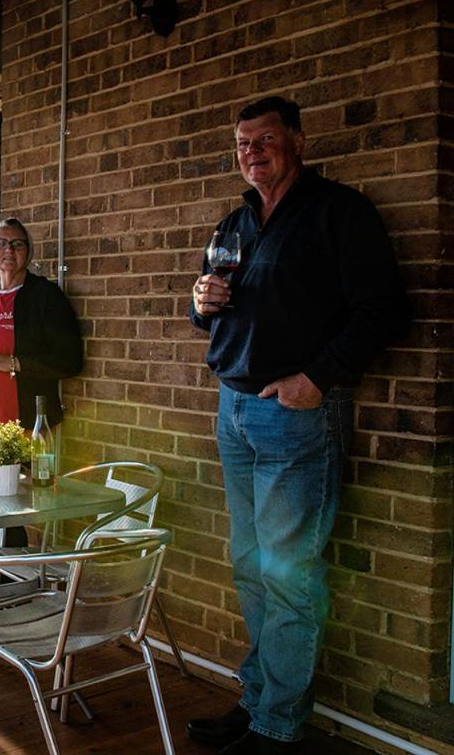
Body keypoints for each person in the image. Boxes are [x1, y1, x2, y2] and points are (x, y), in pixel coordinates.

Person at [187, 96, 409, 755]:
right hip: (234, 410)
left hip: (295, 415)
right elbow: (213, 310)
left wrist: (318, 378)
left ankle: (278, 727)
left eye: (264, 140)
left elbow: (384, 310)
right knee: (250, 567)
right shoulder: (235, 222)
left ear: (298, 142)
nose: (251, 153)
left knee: (288, 575)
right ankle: (258, 699)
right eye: (242, 144)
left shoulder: (339, 213)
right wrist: (200, 303)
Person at [0, 217, 83, 545]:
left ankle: (6, 574)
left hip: (15, 427)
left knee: (6, 510)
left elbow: (70, 361)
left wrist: (12, 362)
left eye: (17, 244)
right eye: (1, 243)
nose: (8, 250)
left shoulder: (45, 295)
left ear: (28, 252)